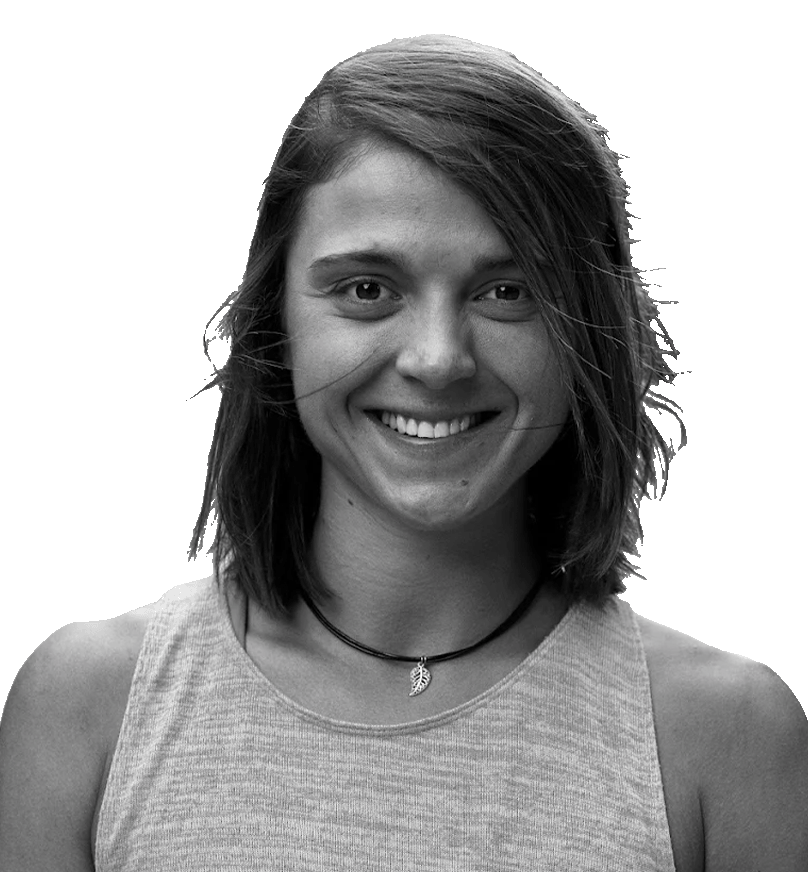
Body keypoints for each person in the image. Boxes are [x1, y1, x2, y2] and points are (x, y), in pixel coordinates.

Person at [2, 35, 805, 872]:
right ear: (277, 323)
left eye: (509, 291)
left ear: (590, 336)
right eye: (367, 289)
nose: (436, 359)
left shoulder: (729, 738)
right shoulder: (88, 709)